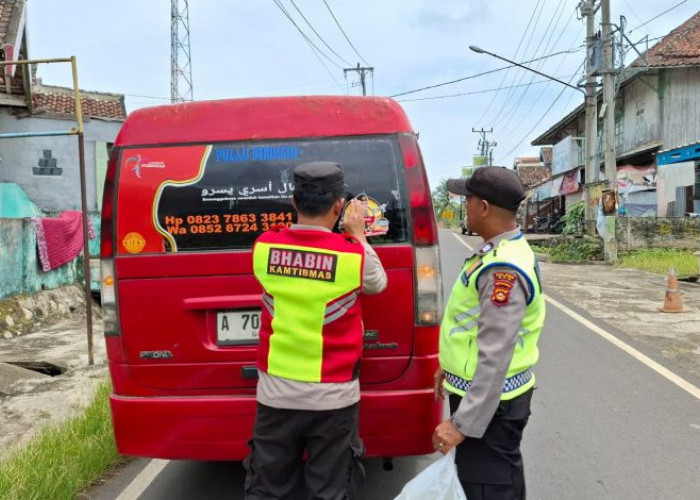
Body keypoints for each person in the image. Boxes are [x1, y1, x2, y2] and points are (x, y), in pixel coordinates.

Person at [244, 161, 388, 500]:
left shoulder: (264, 247)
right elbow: (378, 283)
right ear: (339, 207)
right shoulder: (354, 257)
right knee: (331, 489)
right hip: (334, 398)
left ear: (294, 202)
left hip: (275, 394)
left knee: (268, 488)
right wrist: (358, 235)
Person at [432, 166, 546, 500]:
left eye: (467, 199)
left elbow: (495, 357)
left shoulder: (502, 271)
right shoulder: (500, 250)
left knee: (489, 488)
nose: (464, 206)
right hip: (489, 401)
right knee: (498, 481)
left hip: (491, 407)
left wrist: (461, 424)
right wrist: (449, 366)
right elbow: (470, 328)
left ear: (483, 207)